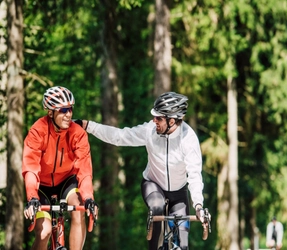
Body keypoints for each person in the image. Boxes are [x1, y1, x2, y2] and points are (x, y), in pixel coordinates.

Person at [76, 91, 209, 250]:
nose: (154, 121)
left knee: (183, 245)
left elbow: (194, 175)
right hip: (153, 185)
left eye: (158, 118)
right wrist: (88, 126)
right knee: (157, 208)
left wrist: (199, 206)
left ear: (172, 121)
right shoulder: (149, 131)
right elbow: (119, 136)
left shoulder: (188, 139)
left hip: (178, 193)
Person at [22, 86, 98, 250]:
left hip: (66, 181)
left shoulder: (78, 133)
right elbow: (30, 167)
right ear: (50, 113)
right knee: (44, 232)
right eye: (63, 110)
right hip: (41, 185)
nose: (69, 114)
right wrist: (32, 197)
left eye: (70, 109)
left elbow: (84, 169)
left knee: (78, 211)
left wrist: (89, 198)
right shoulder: (37, 131)